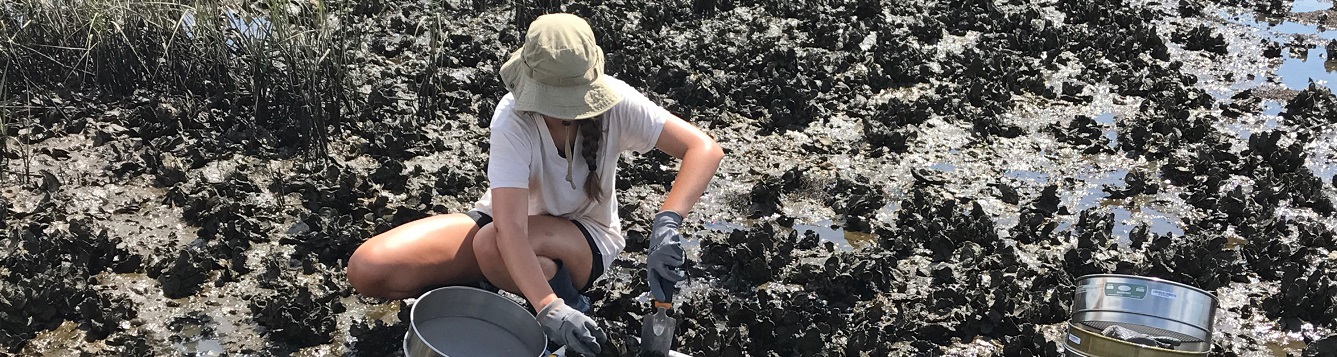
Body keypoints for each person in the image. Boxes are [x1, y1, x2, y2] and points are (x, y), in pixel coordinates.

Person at [345, 13, 724, 355]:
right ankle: (501, 287)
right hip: (504, 225)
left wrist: (668, 222)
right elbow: (509, 225)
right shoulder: (512, 118)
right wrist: (546, 307)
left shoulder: (618, 103)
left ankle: (571, 307)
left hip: (581, 238)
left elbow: (703, 149)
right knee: (369, 268)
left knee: (491, 247)